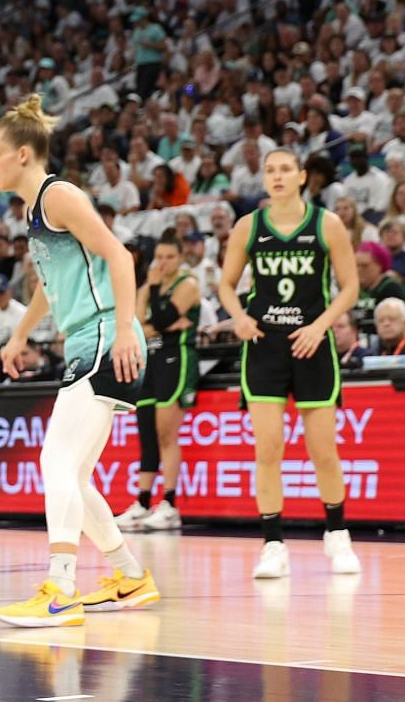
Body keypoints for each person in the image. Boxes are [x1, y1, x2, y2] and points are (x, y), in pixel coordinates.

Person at [0, 95, 160, 627]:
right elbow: (49, 286)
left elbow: (119, 254)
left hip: (106, 333)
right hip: (88, 336)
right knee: (75, 474)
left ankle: (61, 589)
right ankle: (130, 576)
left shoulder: (57, 194)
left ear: (21, 154)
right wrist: (19, 335)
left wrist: (127, 328)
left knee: (56, 463)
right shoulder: (36, 210)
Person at [218, 149, 365, 579]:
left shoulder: (326, 224)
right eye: (270, 170)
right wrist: (240, 318)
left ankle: (337, 535)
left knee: (323, 450)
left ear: (302, 176)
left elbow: (350, 286)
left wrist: (321, 326)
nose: (277, 176)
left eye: (285, 169)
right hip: (265, 346)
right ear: (263, 179)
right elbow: (227, 285)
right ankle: (273, 545)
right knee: (268, 450)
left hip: (312, 344)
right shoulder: (248, 227)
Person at [119, 237, 200, 533]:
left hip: (175, 358)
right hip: (150, 360)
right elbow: (138, 325)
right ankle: (142, 502)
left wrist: (155, 299)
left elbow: (164, 318)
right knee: (147, 435)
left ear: (179, 257)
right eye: (160, 257)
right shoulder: (147, 288)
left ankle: (169, 504)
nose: (163, 262)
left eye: (169, 256)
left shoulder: (187, 284)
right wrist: (161, 323)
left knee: (167, 433)